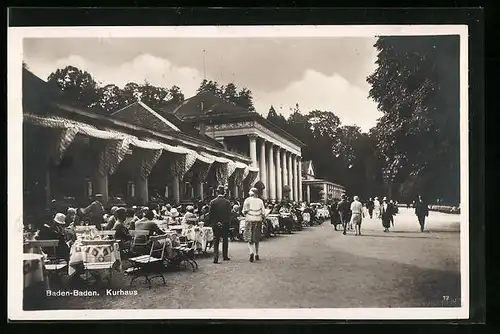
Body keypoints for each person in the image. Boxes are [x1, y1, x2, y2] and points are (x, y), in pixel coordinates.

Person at [208, 185, 232, 263]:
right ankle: (225, 256)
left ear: (217, 192)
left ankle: (216, 258)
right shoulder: (227, 202)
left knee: (216, 240)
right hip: (225, 224)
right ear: (224, 192)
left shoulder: (213, 202)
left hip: (216, 224)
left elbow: (211, 214)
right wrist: (225, 222)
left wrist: (215, 222)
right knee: (225, 240)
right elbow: (229, 214)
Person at [242, 187, 266, 262]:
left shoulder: (247, 200)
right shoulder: (260, 201)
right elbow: (263, 212)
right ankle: (257, 254)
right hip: (258, 220)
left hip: (249, 220)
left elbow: (243, 211)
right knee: (256, 238)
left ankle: (251, 252)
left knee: (249, 238)